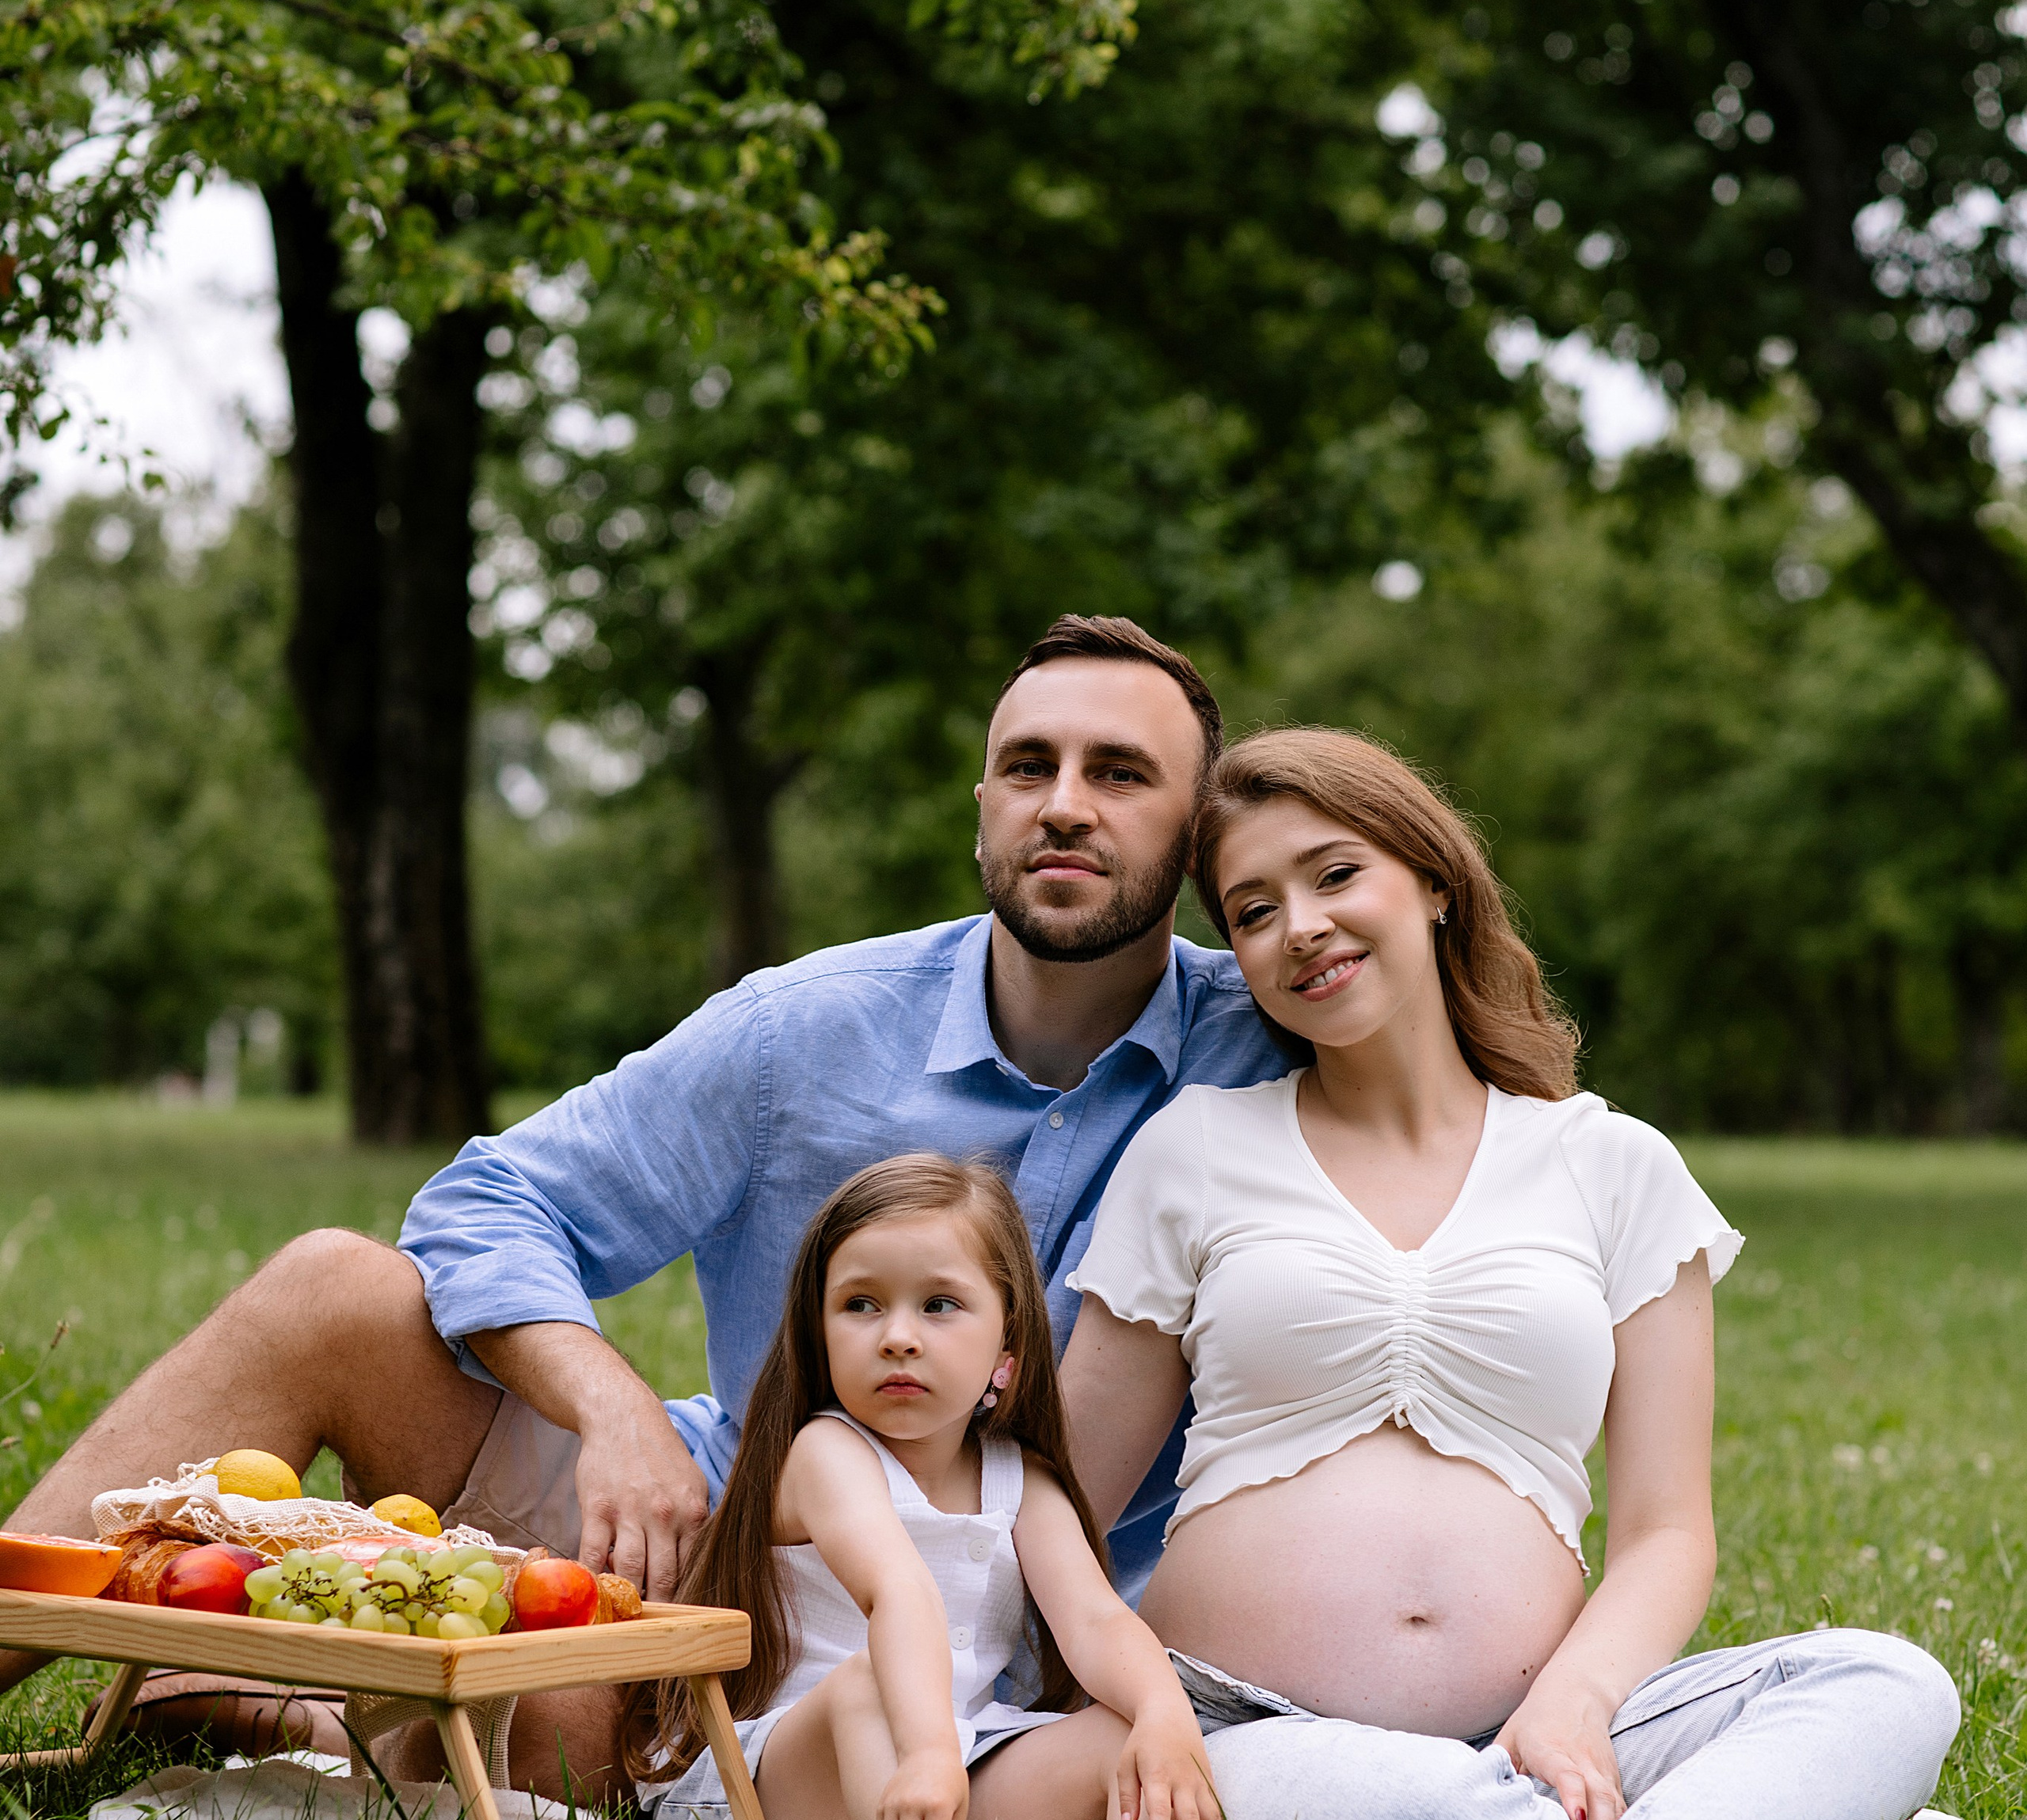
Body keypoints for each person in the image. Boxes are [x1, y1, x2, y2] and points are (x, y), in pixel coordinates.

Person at [0, 615, 1287, 1794]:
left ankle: (280, 1718)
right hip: (725, 1549)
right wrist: (615, 1413)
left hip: (1051, 1625)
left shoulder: (1282, 1038)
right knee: (330, 1289)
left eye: (1120, 774)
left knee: (575, 1737)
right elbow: (486, 1201)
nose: (1063, 806)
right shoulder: (811, 1032)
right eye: (1028, 767)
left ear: (1197, 834)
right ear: (982, 808)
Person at [1060, 726, 1962, 1820]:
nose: (1301, 927)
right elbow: (1059, 1501)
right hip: (1249, 1733)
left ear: (1436, 881)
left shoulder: (1614, 1165)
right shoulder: (1194, 1148)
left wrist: (1579, 1698)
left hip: (1554, 1733)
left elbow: (1667, 1531)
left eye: (1337, 874)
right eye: (1252, 912)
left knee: (1884, 1681)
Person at [635, 1154, 1217, 1820]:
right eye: (861, 1305)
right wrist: (929, 1755)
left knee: (1126, 1740)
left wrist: (1164, 1715)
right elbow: (898, 1590)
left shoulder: (1019, 1480)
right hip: (786, 1774)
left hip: (951, 1762)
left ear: (1007, 1347)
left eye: (940, 1305)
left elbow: (1096, 1618)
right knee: (869, 1689)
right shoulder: (827, 1453)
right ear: (818, 1334)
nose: (899, 1337)